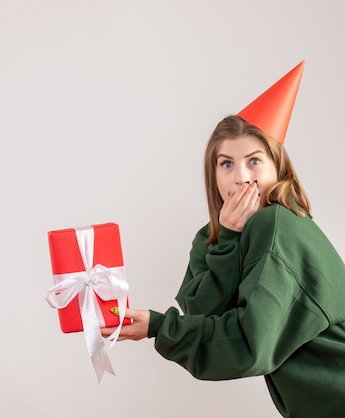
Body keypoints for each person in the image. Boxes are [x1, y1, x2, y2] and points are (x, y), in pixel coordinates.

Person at [101, 62, 345, 418]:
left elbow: (248, 346)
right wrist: (228, 238)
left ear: (278, 168)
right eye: (226, 164)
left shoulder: (278, 224)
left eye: (254, 161)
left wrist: (159, 327)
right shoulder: (214, 238)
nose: (241, 178)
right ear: (213, 173)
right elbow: (206, 315)